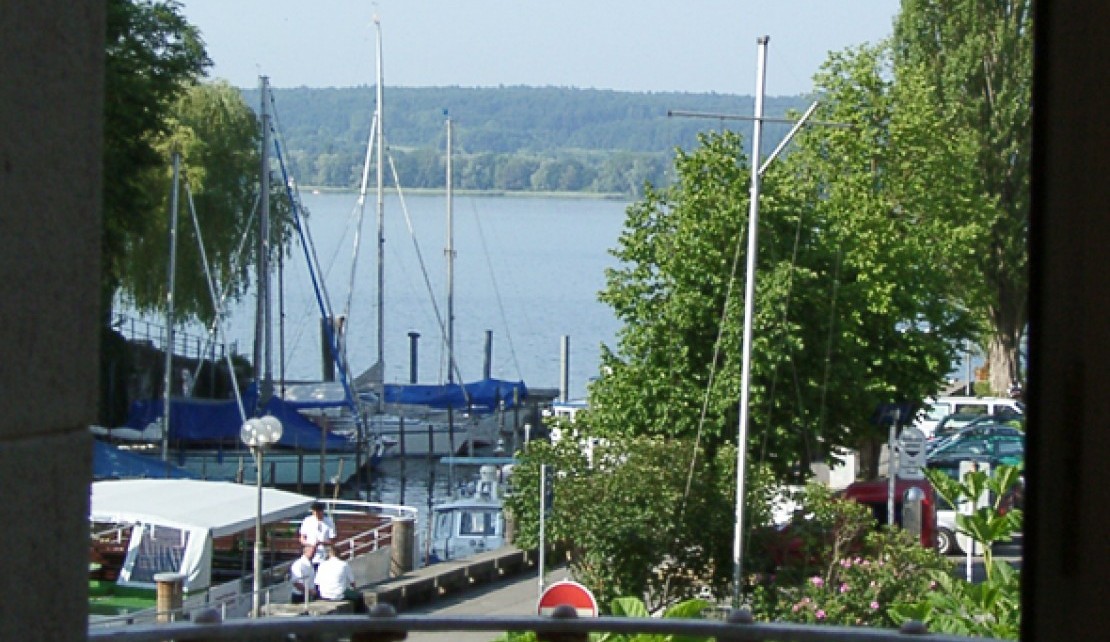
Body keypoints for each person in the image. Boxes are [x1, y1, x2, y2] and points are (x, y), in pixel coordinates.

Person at [299, 501, 336, 567]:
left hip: (324, 556)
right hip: (310, 554)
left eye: (319, 512)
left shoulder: (329, 521)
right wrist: (309, 544)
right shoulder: (307, 520)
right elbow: (302, 538)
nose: (317, 514)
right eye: (315, 512)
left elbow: (332, 540)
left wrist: (321, 543)